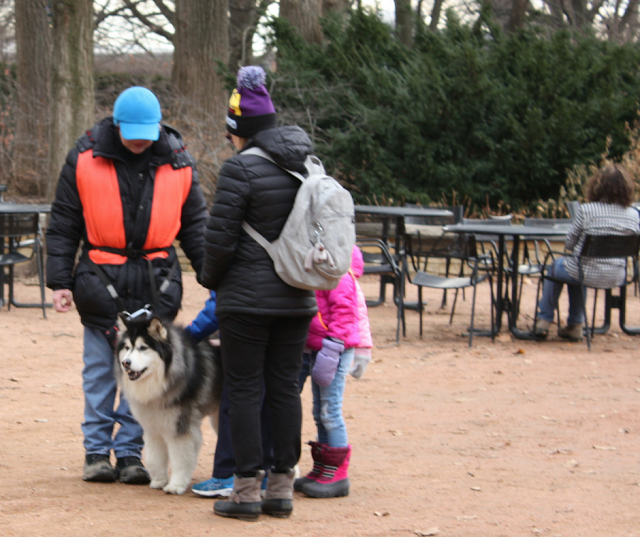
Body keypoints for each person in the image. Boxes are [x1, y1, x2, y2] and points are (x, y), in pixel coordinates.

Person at [46, 86, 208, 484]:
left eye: (146, 132)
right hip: (100, 281)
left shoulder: (180, 163)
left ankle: (133, 454)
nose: (139, 140)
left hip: (158, 284)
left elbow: (198, 229)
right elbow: (64, 222)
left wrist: (215, 276)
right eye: (131, 131)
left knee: (150, 375)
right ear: (116, 125)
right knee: (100, 373)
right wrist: (59, 281)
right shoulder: (83, 159)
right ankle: (97, 453)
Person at [200, 66, 317, 521]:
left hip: (246, 302)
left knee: (245, 390)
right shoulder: (308, 163)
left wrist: (210, 280)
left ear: (238, 130)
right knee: (286, 389)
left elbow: (219, 240)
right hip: (297, 296)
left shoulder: (239, 168)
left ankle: (247, 492)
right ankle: (281, 489)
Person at [184, 291, 275, 498]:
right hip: (287, 319)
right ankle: (271, 475)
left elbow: (220, 299)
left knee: (237, 399)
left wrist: (189, 335)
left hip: (242, 323)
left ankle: (228, 474)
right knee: (273, 398)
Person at [534, 165, 640, 341]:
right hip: (617, 276)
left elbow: (569, 243)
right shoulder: (634, 215)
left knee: (560, 267)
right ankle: (575, 325)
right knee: (576, 268)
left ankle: (544, 320)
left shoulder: (587, 210)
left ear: (596, 186)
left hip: (585, 271)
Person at [295, 245, 366, 499]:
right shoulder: (317, 270)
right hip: (318, 348)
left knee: (330, 410)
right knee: (319, 410)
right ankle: (323, 466)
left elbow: (345, 313)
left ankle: (338, 473)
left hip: (335, 348)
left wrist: (333, 346)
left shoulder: (339, 275)